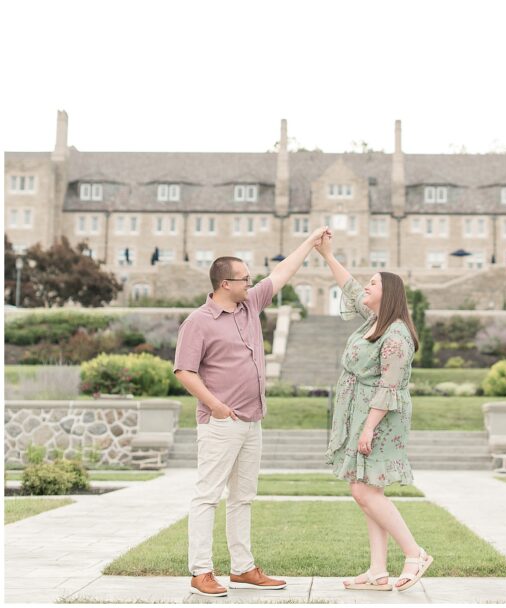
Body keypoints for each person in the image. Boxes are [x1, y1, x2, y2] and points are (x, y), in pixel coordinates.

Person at [173, 226, 329, 597]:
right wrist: (216, 406)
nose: (251, 282)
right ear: (225, 283)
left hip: (253, 421)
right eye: (244, 278)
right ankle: (201, 572)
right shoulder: (198, 322)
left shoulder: (251, 306)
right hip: (220, 423)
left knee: (243, 497)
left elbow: (281, 274)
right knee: (207, 496)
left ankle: (242, 568)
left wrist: (308, 243)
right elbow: (183, 370)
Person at [316, 233, 433, 592]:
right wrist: (327, 255)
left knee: (363, 491)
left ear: (390, 294)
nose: (365, 286)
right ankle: (378, 571)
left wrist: (367, 429)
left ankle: (415, 554)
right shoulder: (373, 322)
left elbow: (389, 388)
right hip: (362, 412)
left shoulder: (396, 336)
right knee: (369, 490)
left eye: (373, 283)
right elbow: (350, 288)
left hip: (380, 418)